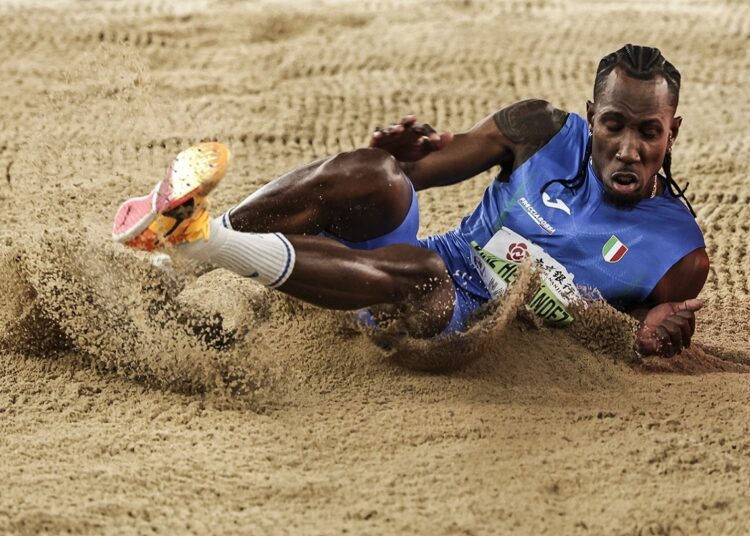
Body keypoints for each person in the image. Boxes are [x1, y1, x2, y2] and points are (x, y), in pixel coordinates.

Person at [113, 44, 708, 358]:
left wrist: (642, 335)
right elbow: (420, 173)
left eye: (648, 132)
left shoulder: (678, 255)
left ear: (672, 131)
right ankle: (182, 244)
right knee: (379, 175)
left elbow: (616, 330)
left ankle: (208, 241)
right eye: (613, 126)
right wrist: (402, 156)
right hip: (395, 267)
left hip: (450, 322)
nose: (629, 148)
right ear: (590, 118)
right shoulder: (542, 129)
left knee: (427, 275)